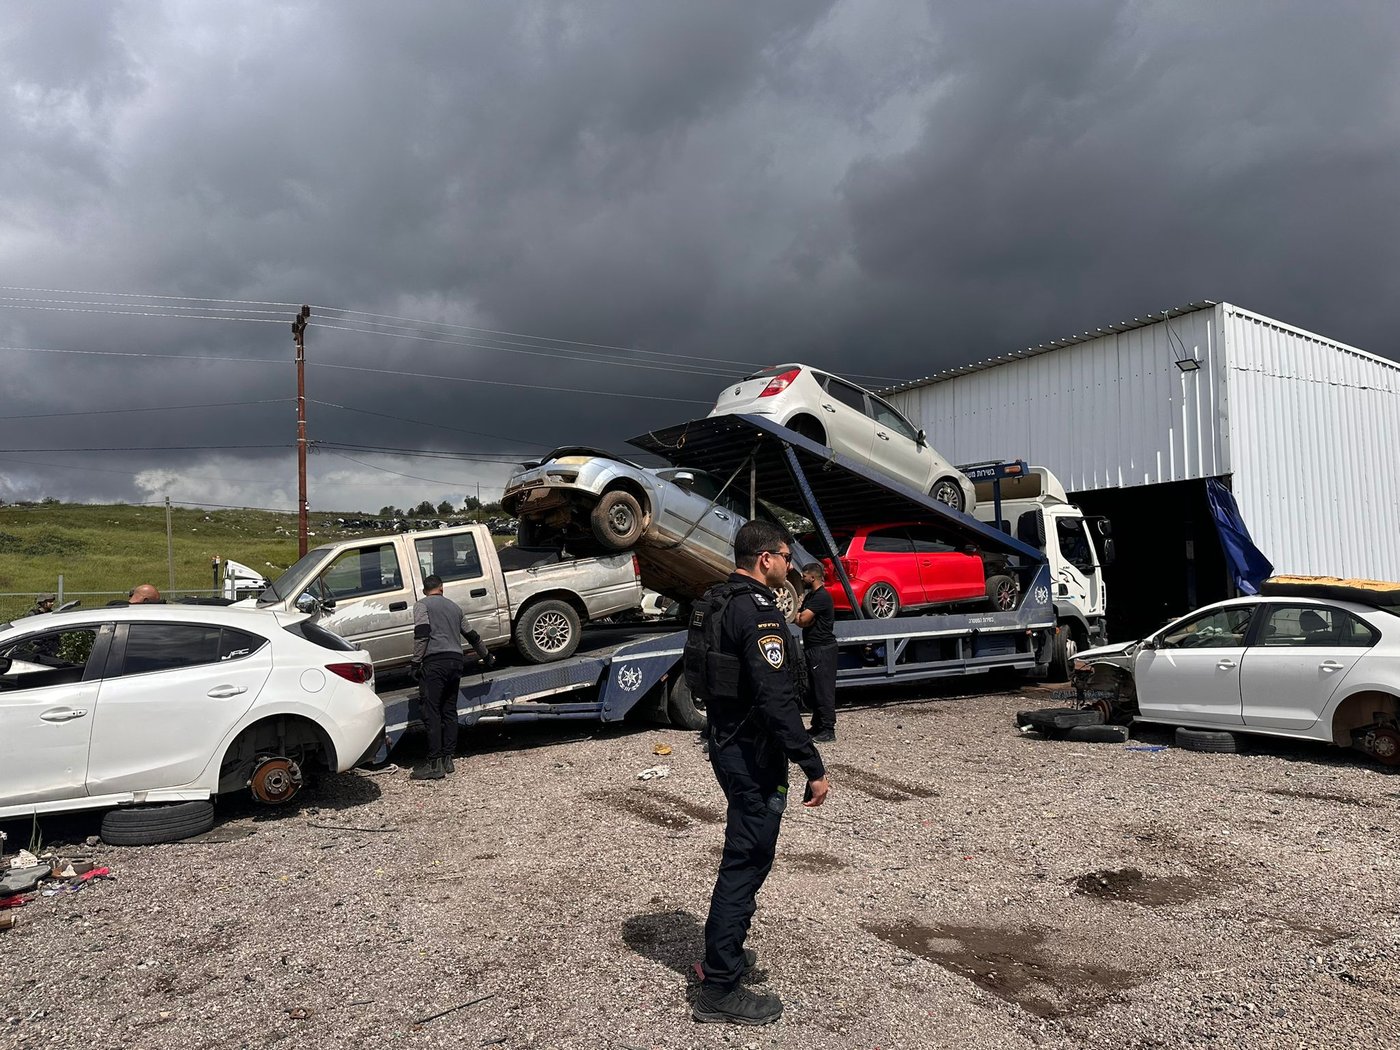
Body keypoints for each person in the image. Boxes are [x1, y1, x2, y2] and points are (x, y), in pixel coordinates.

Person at [686, 521, 830, 1026]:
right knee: (747, 859)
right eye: (786, 556)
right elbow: (776, 699)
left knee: (744, 852)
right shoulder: (757, 611)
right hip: (752, 753)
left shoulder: (719, 600)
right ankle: (720, 985)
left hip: (727, 742)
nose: (791, 565)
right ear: (764, 559)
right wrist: (811, 763)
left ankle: (725, 951)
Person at [408, 574, 494, 781]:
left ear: (424, 590)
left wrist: (415, 662)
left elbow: (422, 633)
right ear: (442, 589)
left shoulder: (421, 605)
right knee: (449, 711)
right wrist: (487, 656)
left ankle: (434, 763)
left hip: (435, 663)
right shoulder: (455, 608)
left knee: (431, 712)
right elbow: (471, 635)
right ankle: (448, 759)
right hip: (456, 662)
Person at [795, 562, 838, 742]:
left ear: (812, 577)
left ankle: (828, 730)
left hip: (823, 649)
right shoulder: (811, 596)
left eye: (804, 576)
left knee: (823, 690)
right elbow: (800, 618)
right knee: (813, 690)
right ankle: (817, 725)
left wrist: (801, 616)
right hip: (813, 648)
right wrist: (801, 615)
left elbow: (802, 619)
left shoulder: (821, 597)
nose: (802, 579)